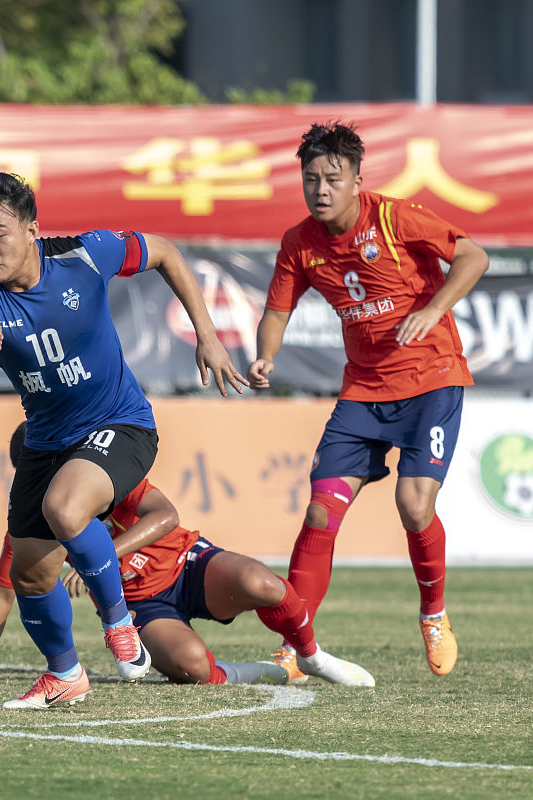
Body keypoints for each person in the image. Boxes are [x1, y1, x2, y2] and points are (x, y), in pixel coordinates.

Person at [0, 171, 248, 710]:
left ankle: (118, 620)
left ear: (32, 228)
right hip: (46, 441)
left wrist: (208, 335)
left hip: (122, 424)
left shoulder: (85, 255)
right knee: (31, 571)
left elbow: (167, 254)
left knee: (65, 507)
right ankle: (65, 674)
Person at [249, 121, 489, 679]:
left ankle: (433, 613)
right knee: (319, 510)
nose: (321, 189)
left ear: (358, 179)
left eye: (333, 177)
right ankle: (295, 642)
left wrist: (432, 310)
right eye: (311, 178)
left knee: (413, 505)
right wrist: (266, 356)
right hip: (362, 394)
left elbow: (473, 257)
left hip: (432, 379)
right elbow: (277, 312)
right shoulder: (299, 243)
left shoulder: (395, 216)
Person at [0, 423, 375, 689]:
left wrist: (105, 556)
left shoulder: (107, 477)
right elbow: (4, 591)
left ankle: (311, 656)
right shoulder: (32, 523)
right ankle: (246, 674)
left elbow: (167, 516)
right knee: (193, 667)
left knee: (264, 585)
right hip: (140, 607)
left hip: (187, 565)